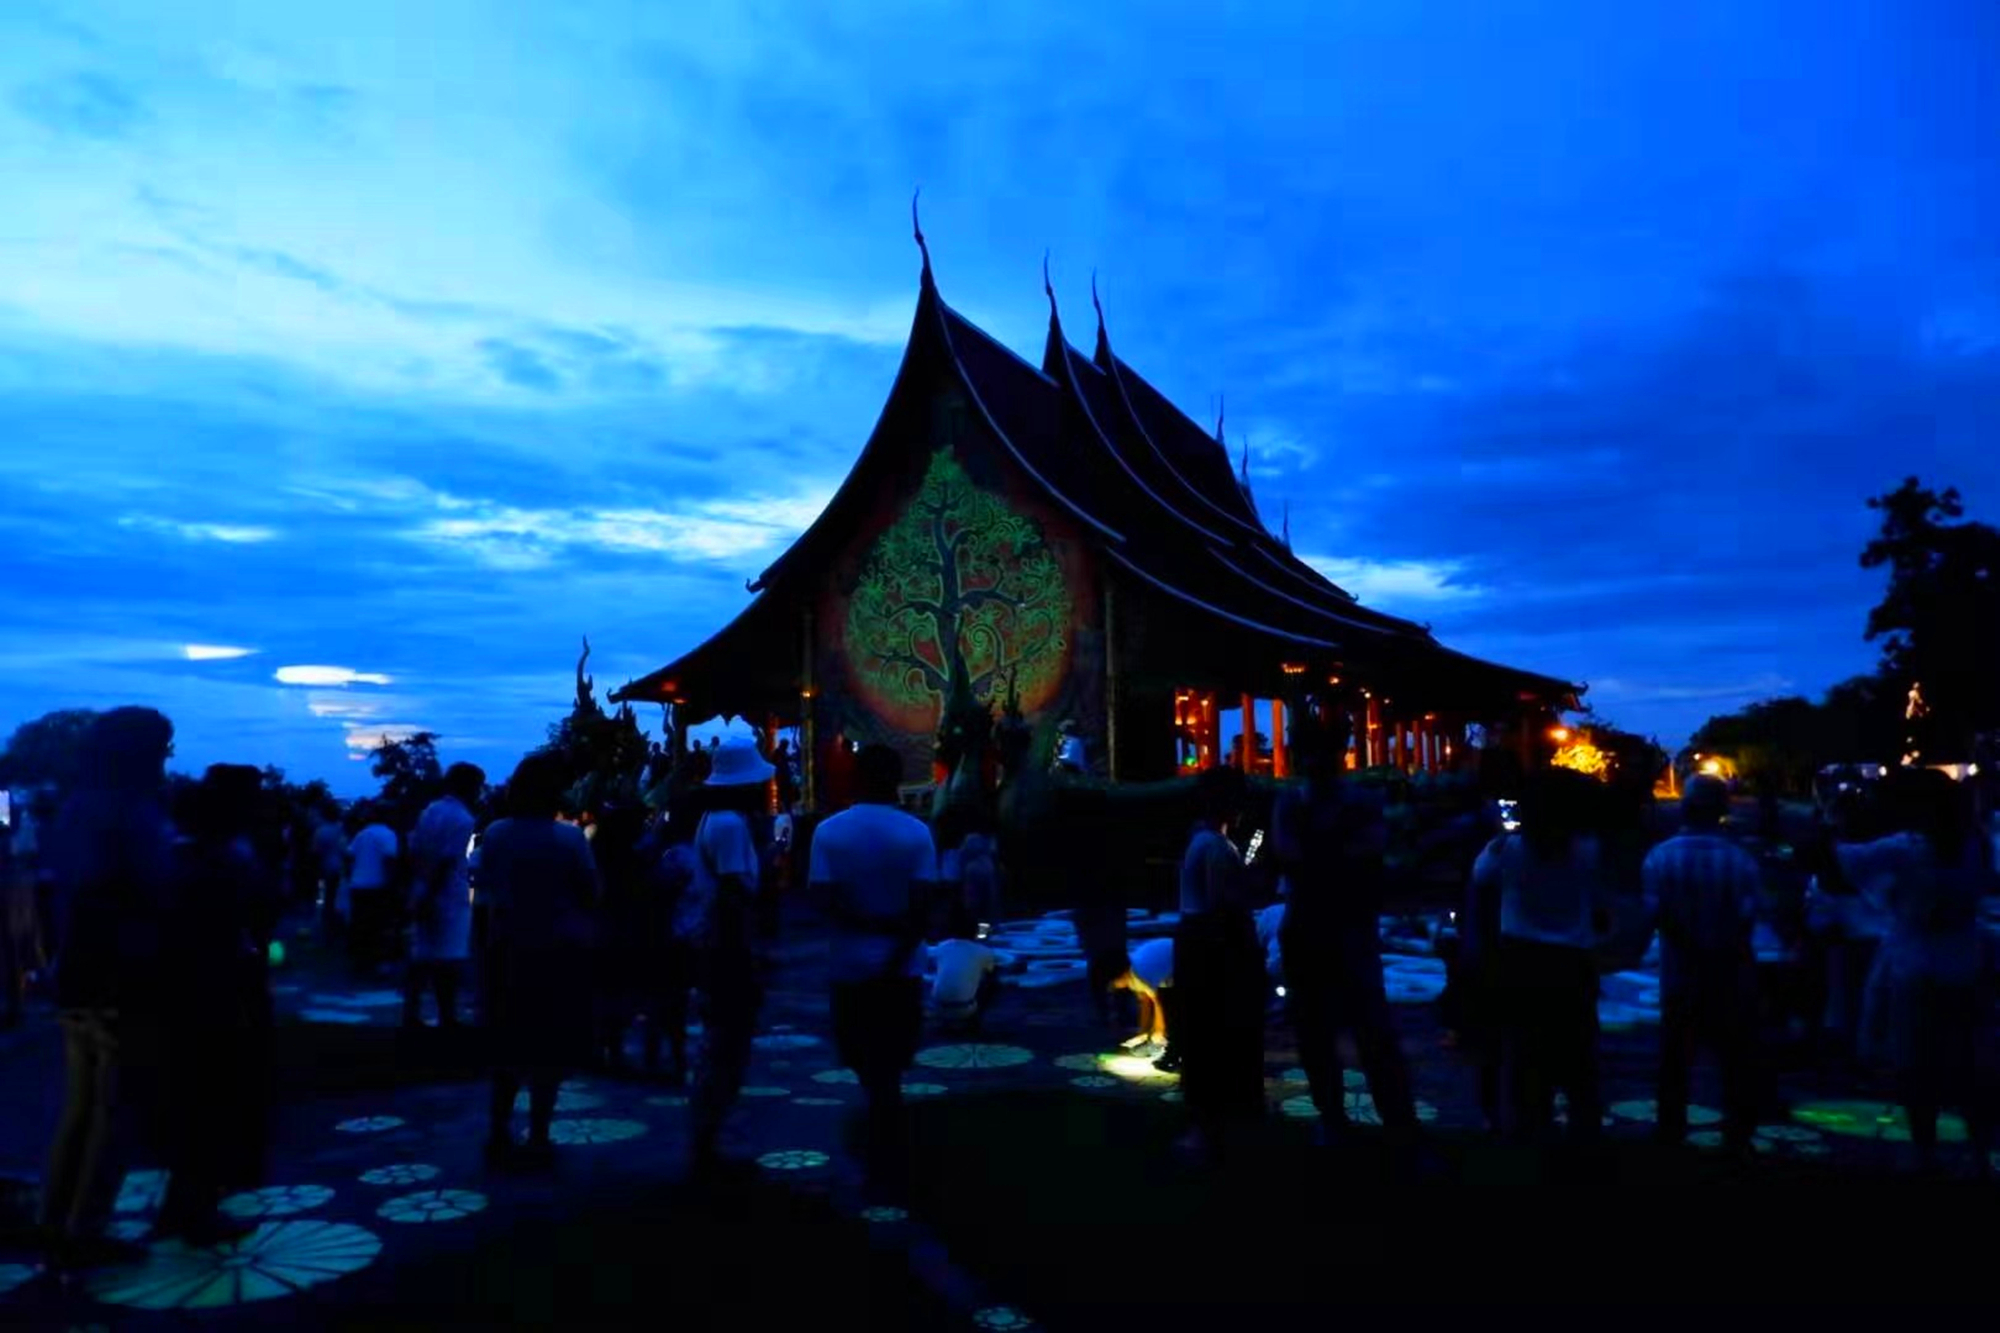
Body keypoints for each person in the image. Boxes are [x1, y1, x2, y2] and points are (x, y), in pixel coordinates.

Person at [37, 708, 178, 1270]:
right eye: (163, 749)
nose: (168, 760)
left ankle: (55, 1220)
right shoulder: (133, 813)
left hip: (75, 973)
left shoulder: (74, 807)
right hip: (123, 975)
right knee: (113, 1111)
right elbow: (153, 889)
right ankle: (85, 1228)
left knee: (79, 1106)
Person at [1833, 768, 1994, 1172]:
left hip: (1913, 965)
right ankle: (1979, 1153)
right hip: (1966, 959)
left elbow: (1839, 861)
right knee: (1968, 1063)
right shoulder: (1976, 844)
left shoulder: (1906, 848)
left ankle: (1925, 1152)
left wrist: (1835, 819)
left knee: (1916, 1066)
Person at [1271, 703, 1419, 1140]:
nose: (1314, 762)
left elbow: (1301, 859)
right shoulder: (1354, 806)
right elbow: (1348, 860)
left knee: (1365, 1035)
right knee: (1327, 1034)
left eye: (1321, 753)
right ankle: (1344, 1119)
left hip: (1333, 929)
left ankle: (1389, 1126)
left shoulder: (1294, 807)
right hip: (1330, 928)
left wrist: (1319, 858)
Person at [809, 744, 940, 1197]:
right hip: (902, 967)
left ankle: (879, 1149)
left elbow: (824, 901)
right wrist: (895, 941)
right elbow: (923, 906)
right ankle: (889, 1148)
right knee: (891, 1063)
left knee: (867, 1062)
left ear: (857, 777)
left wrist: (868, 926)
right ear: (897, 777)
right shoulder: (917, 833)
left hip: (850, 965)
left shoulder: (829, 832)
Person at [152, 764, 273, 1244]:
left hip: (187, 988)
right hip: (217, 988)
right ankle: (197, 1206)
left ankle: (186, 1200)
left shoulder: (176, 857)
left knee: (196, 1098)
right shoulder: (223, 862)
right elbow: (251, 912)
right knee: (214, 1096)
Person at [1471, 767, 1609, 1145]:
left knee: (1523, 1051)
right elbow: (1601, 903)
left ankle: (1528, 1127)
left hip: (1520, 958)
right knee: (1579, 1055)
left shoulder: (1505, 851)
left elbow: (1480, 881)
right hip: (1574, 961)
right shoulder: (1589, 850)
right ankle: (1584, 1132)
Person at [477, 752, 602, 1167]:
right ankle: (540, 1135)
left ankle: (498, 1131)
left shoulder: (495, 833)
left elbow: (483, 885)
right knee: (548, 1046)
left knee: (507, 1042)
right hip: (557, 950)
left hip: (507, 947)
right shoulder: (568, 839)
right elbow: (591, 890)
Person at [1641, 775, 1763, 1154]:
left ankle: (1669, 1135)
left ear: (1686, 808)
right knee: (1734, 1060)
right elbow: (1747, 919)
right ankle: (1737, 1137)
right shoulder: (1739, 859)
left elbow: (1655, 916)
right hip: (1729, 975)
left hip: (1678, 975)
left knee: (1675, 1060)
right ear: (1722, 810)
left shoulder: (1660, 856)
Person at [681, 736, 776, 1175]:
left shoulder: (714, 821)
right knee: (727, 1046)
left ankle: (707, 1137)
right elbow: (736, 896)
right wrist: (752, 954)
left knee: (719, 1044)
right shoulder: (731, 826)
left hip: (713, 943)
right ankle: (708, 1143)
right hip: (726, 947)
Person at [1173, 764, 1264, 1160]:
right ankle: (1208, 1126)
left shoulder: (1209, 844)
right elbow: (1223, 908)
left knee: (1208, 1037)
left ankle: (1212, 1122)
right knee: (1211, 1037)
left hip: (1205, 946)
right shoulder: (1213, 847)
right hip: (1213, 950)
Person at [403, 763, 483, 1033]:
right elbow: (447, 861)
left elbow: (415, 851)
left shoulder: (430, 810)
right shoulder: (462, 819)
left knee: (422, 955)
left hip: (424, 886)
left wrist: (419, 891)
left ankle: (411, 1012)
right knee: (449, 959)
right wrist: (430, 894)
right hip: (446, 894)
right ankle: (447, 1016)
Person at [344, 805, 402, 976]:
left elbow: (349, 856)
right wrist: (393, 884)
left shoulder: (362, 834)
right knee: (377, 926)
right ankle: (377, 963)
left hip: (358, 885)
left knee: (360, 925)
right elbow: (390, 859)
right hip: (377, 886)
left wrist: (351, 875)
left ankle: (360, 963)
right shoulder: (388, 834)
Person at [1108, 937, 1175, 1063]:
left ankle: (1169, 1046)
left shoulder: (1141, 974)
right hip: (1166, 962)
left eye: (1112, 983)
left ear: (1119, 975)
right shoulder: (1132, 975)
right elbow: (1145, 1003)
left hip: (1177, 958)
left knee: (1171, 1005)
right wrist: (1143, 1032)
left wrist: (1158, 1033)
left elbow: (1159, 1003)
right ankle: (1162, 1039)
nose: (1112, 987)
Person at [929, 915, 1001, 1033]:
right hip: (964, 1009)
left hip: (937, 1007)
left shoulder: (943, 946)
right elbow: (991, 974)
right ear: (975, 931)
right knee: (993, 980)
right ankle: (974, 1020)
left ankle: (945, 1020)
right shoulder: (983, 951)